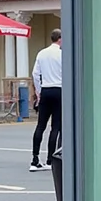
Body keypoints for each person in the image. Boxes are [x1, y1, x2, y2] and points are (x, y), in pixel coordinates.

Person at [31, 28, 62, 172]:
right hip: (59, 89)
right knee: (55, 127)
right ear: (60, 39)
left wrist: (38, 91)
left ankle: (35, 159)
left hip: (45, 89)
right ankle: (50, 160)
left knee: (40, 125)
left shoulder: (42, 53)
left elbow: (35, 74)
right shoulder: (62, 54)